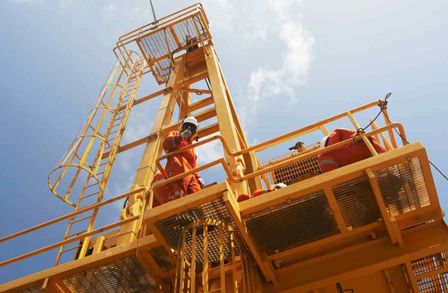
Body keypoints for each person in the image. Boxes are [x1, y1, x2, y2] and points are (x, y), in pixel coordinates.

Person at [151, 117, 204, 206]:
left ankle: (198, 207)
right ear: (182, 127)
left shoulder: (191, 148)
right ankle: (176, 205)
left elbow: (193, 164)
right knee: (178, 190)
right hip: (177, 170)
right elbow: (167, 144)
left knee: (197, 192)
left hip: (189, 174)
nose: (189, 129)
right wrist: (180, 137)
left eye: (192, 128)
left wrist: (198, 177)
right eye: (187, 126)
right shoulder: (175, 134)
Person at [318, 128, 386, 173]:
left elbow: (334, 178)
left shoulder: (325, 156)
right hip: (382, 158)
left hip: (373, 167)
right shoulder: (350, 136)